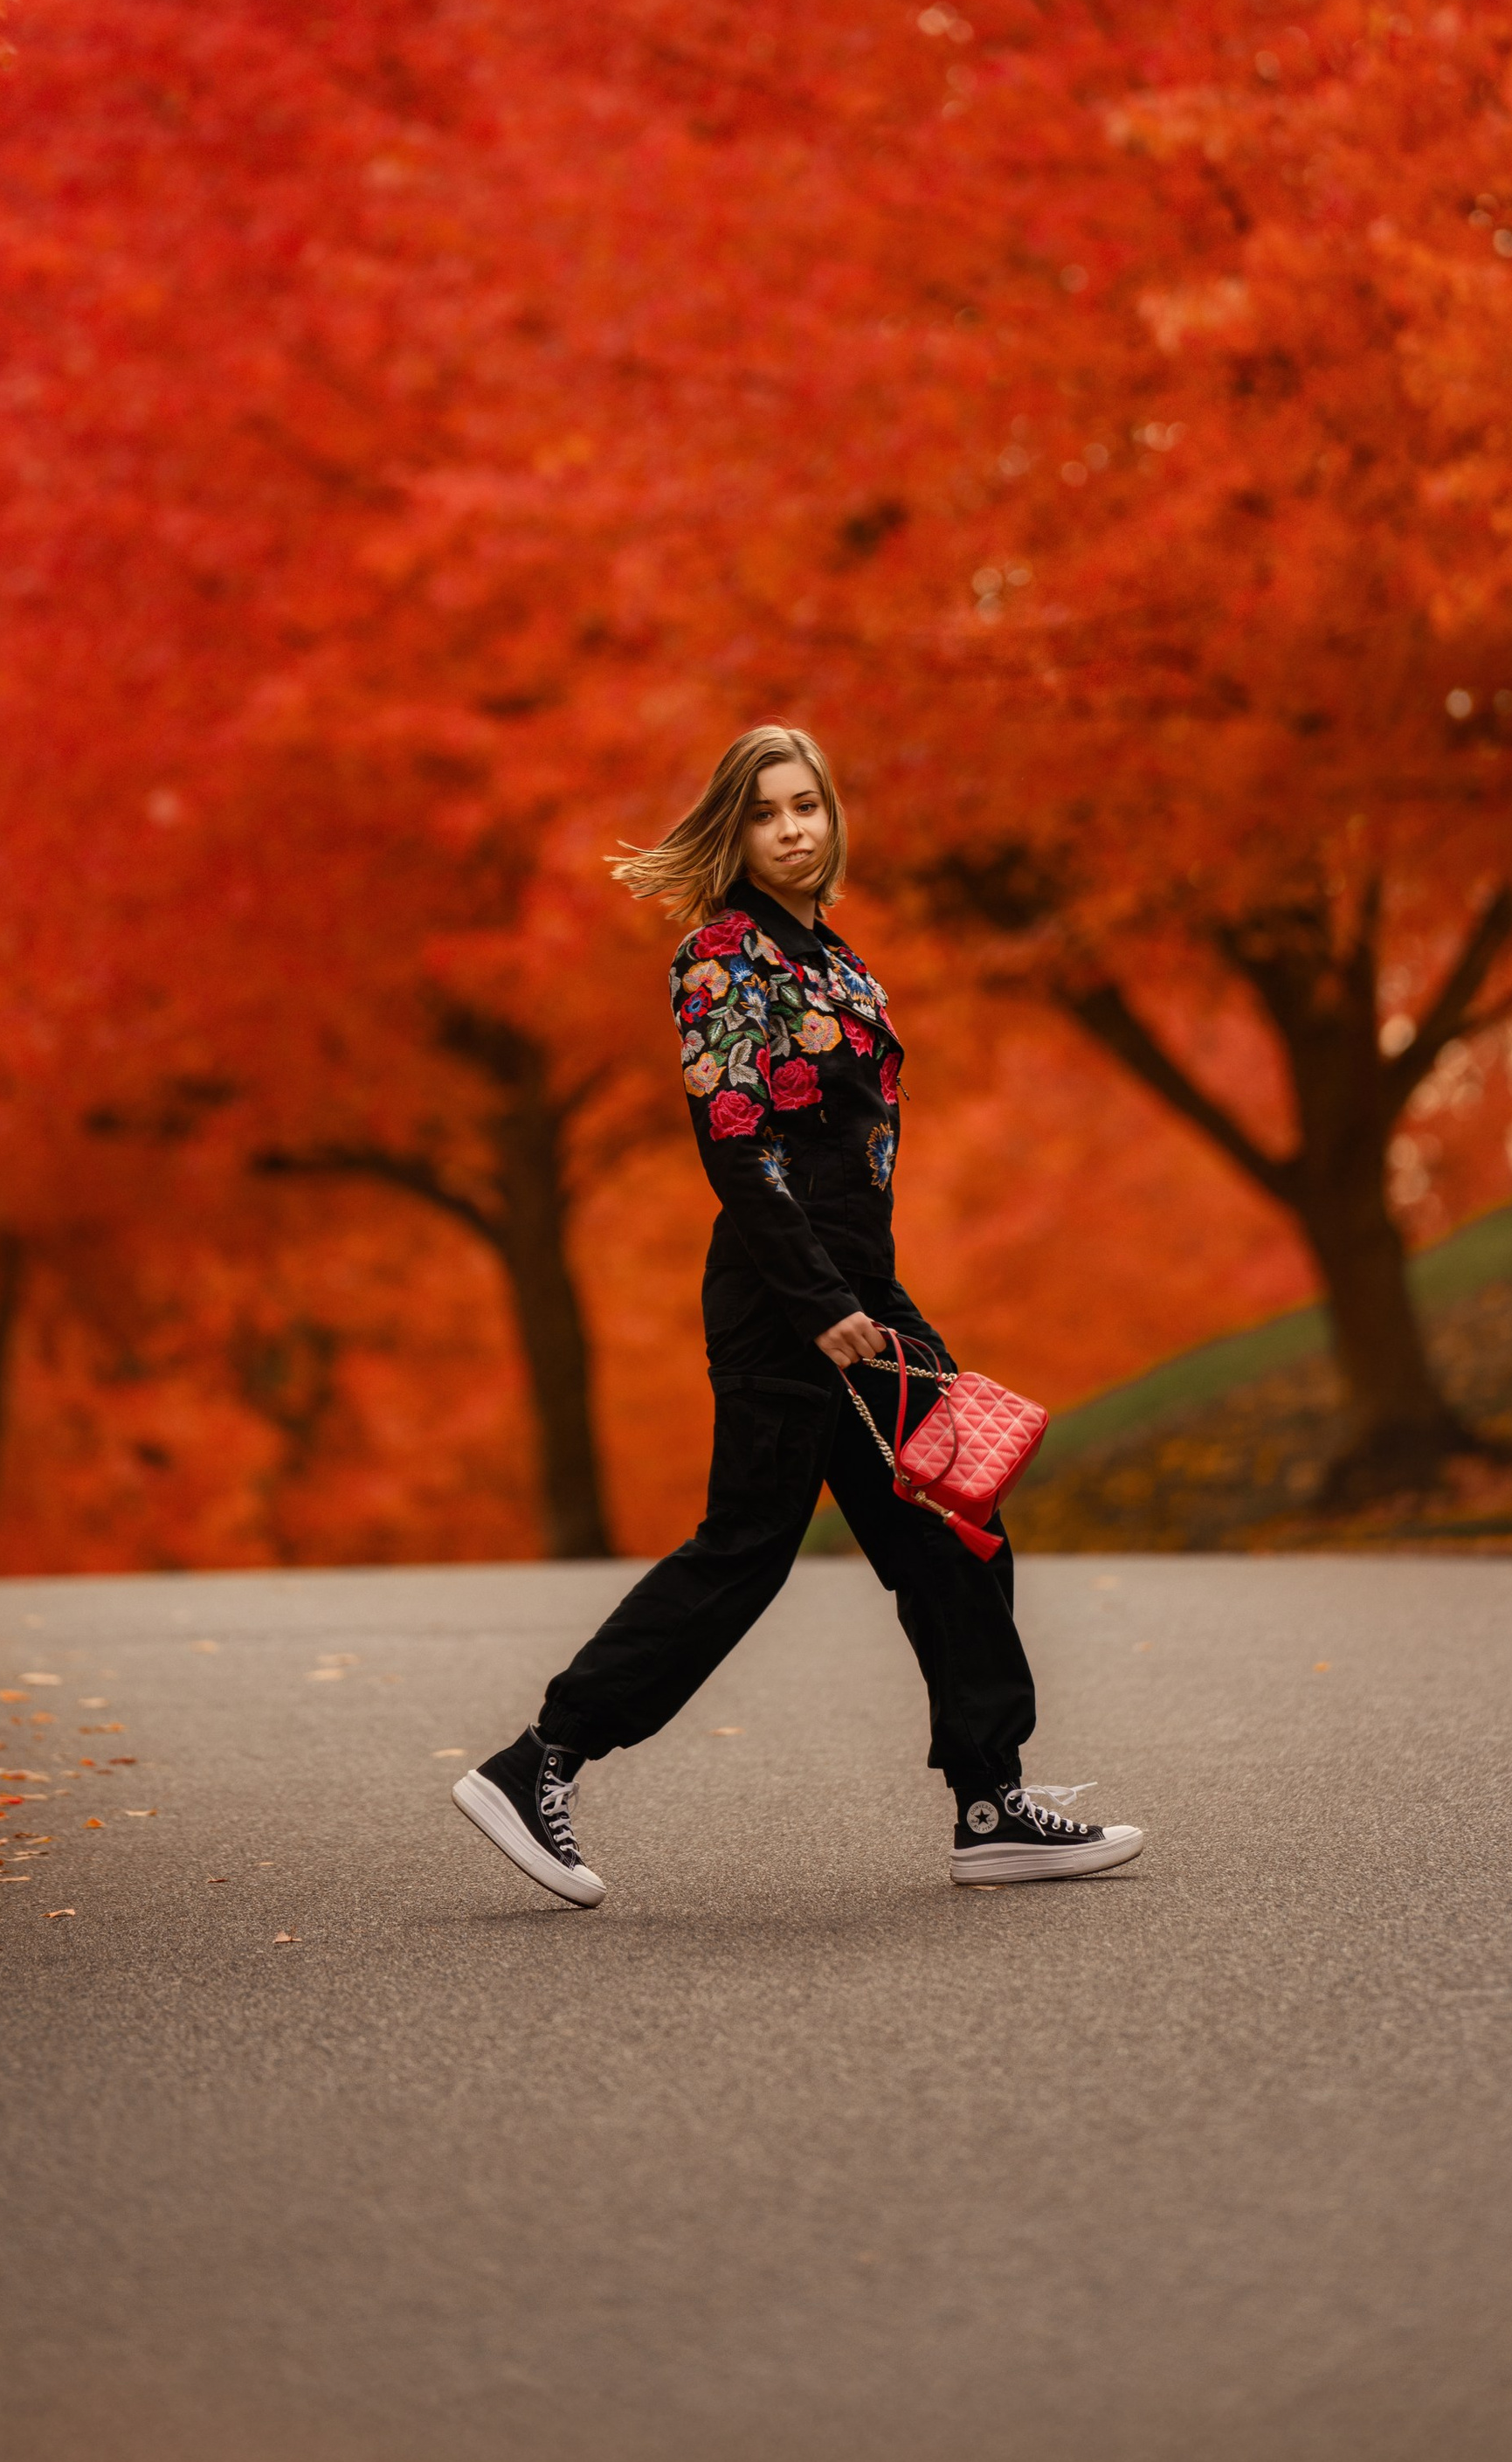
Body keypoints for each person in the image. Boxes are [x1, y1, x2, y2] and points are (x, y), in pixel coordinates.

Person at [454, 723, 1143, 1904]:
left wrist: (876, 1302)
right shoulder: (720, 957)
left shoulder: (833, 958)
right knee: (746, 1555)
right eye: (769, 810)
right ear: (738, 829)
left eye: (809, 806)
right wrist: (821, 1302)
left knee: (955, 1519)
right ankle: (538, 1764)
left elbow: (853, 1160)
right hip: (787, 1305)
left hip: (861, 1291)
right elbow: (737, 1144)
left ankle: (990, 1802)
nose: (794, 827)